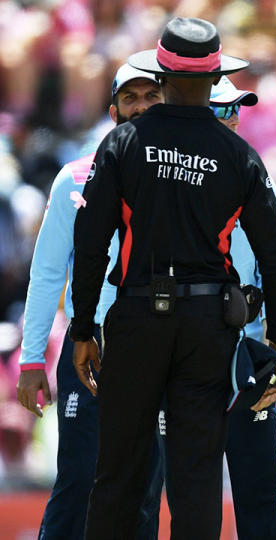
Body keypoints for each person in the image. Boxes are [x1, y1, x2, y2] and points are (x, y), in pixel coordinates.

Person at [70, 18, 276, 539]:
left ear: (161, 71)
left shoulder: (122, 142)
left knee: (119, 472)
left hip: (137, 319)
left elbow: (91, 242)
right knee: (196, 476)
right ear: (216, 78)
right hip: (206, 325)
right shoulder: (240, 155)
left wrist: (83, 327)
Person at [16, 63, 166, 540]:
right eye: (131, 98)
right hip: (91, 344)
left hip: (162, 344)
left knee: (146, 488)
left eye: (151, 96)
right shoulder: (75, 178)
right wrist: (31, 358)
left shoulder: (185, 179)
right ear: (113, 109)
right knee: (80, 479)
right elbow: (45, 273)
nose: (141, 105)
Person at [207, 75, 276, 540]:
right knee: (182, 491)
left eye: (236, 110)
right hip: (183, 351)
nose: (232, 120)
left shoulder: (255, 172)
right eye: (221, 110)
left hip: (244, 351)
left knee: (261, 489)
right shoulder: (164, 178)